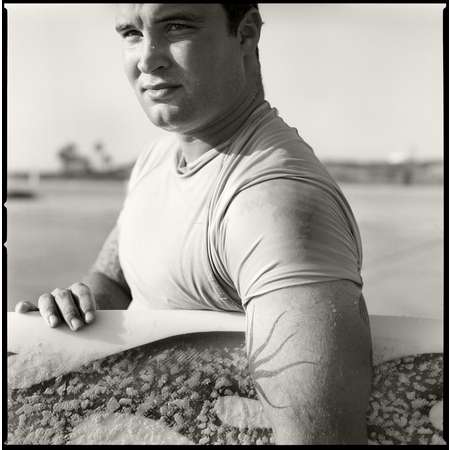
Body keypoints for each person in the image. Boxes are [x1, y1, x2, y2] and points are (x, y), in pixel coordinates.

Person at [16, 4, 372, 444]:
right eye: (131, 32)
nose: (147, 58)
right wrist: (75, 309)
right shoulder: (158, 158)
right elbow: (116, 278)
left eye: (177, 26)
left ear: (245, 34)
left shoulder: (274, 205)